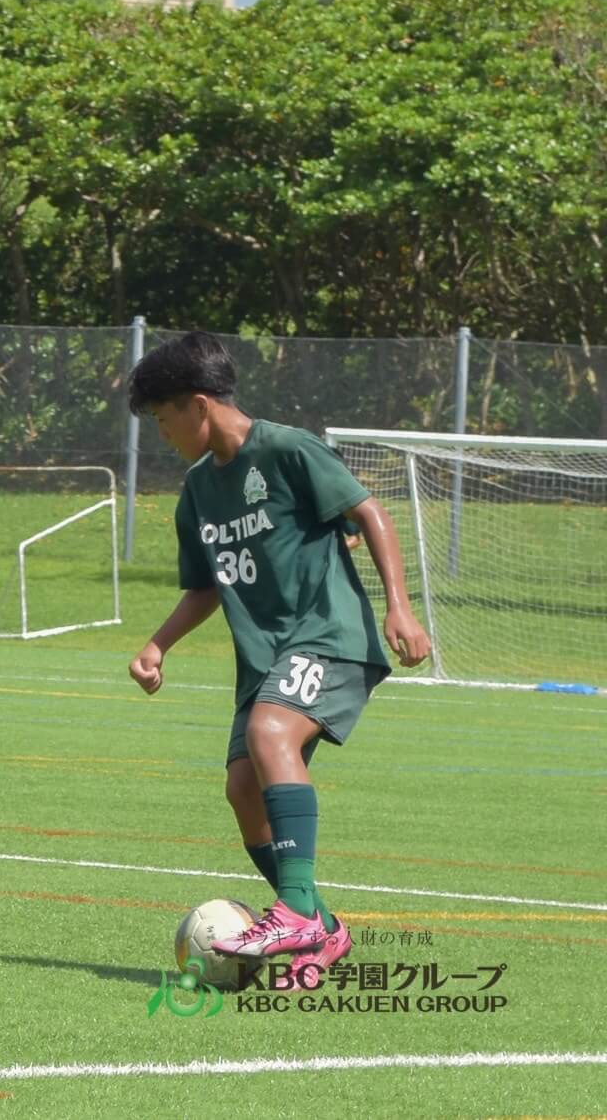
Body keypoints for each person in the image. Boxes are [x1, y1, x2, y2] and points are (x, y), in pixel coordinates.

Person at [125, 331, 431, 990]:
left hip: (329, 635)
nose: (162, 434)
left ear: (198, 405)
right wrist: (158, 643)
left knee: (270, 732)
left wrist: (399, 607)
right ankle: (322, 926)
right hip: (264, 661)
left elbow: (369, 512)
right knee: (242, 791)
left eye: (162, 418)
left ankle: (292, 910)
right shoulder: (197, 491)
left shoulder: (288, 449)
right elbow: (206, 587)